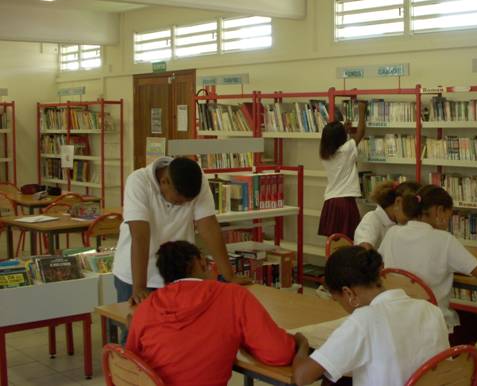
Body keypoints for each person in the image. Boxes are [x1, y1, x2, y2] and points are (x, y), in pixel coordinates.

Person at [127, 241, 306, 386]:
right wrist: (299, 342)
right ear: (201, 263)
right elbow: (278, 354)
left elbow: (129, 362)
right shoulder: (232, 296)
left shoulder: (146, 307)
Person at [292, 246, 449, 386]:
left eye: (337, 300)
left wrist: (303, 344)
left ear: (348, 293)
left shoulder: (364, 320)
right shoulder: (431, 310)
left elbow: (301, 377)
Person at [112, 157, 239, 309]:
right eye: (179, 201)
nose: (184, 205)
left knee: (182, 322)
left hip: (177, 274)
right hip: (136, 276)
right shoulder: (138, 182)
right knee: (136, 322)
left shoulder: (196, 179)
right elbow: (140, 237)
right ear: (164, 181)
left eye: (188, 202)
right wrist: (139, 288)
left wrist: (229, 275)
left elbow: (209, 227)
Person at [378, 184, 477, 346]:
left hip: (397, 320)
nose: (448, 222)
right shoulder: (445, 240)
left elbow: (381, 267)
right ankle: (452, 357)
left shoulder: (392, 233)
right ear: (439, 211)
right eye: (449, 216)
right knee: (476, 324)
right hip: (432, 326)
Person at [318, 100, 367, 240]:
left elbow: (335, 140)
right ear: (341, 137)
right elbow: (361, 132)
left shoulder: (325, 154)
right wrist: (362, 111)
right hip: (345, 201)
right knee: (348, 239)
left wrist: (343, 130)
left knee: (334, 241)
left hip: (330, 202)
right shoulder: (347, 150)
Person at [353, 180, 421, 250]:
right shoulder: (372, 218)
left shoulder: (399, 221)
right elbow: (363, 248)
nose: (415, 217)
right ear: (398, 202)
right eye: (411, 209)